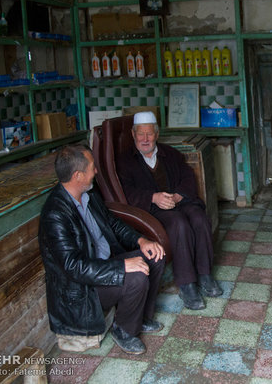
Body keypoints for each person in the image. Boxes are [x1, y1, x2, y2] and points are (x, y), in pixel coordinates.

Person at [39, 145, 166, 355]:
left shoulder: (88, 193)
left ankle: (140, 316)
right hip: (82, 289)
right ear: (78, 175)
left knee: (155, 256)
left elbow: (112, 223)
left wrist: (141, 240)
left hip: (105, 266)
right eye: (92, 168)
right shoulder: (55, 215)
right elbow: (75, 268)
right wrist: (122, 265)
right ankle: (124, 331)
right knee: (136, 277)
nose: (96, 171)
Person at [116, 111, 221, 310]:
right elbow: (126, 192)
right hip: (152, 211)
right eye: (141, 134)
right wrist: (153, 198)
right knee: (179, 224)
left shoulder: (170, 154)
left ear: (156, 134)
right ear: (133, 134)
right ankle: (187, 284)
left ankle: (205, 275)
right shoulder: (125, 161)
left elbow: (188, 177)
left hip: (178, 202)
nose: (145, 139)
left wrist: (178, 195)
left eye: (149, 134)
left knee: (199, 218)